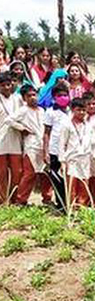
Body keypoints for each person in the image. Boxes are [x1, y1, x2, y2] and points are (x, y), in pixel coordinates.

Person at [12, 85, 51, 206]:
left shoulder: (42, 110)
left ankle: (47, 199)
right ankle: (21, 200)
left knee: (45, 174)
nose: (33, 98)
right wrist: (22, 129)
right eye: (29, 96)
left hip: (42, 145)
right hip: (31, 145)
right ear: (24, 98)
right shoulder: (23, 110)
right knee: (29, 173)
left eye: (34, 95)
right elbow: (10, 120)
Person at [58, 98, 92, 207]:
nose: (82, 113)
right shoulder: (67, 124)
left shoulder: (88, 125)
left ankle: (80, 208)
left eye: (83, 110)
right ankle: (71, 210)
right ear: (73, 110)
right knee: (71, 186)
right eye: (79, 110)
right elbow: (62, 143)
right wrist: (62, 161)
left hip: (84, 159)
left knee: (84, 185)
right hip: (71, 159)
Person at [43, 83, 71, 210]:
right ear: (54, 97)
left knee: (68, 178)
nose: (63, 97)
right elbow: (46, 133)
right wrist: (46, 152)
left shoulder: (71, 111)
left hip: (69, 150)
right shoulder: (50, 112)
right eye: (60, 95)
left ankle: (70, 203)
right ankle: (61, 205)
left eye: (65, 95)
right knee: (57, 178)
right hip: (54, 150)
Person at [0, 72, 22, 204]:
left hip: (16, 138)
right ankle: (2, 200)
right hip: (1, 139)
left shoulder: (18, 98)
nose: (6, 88)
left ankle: (14, 199)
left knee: (17, 171)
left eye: (8, 84)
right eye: (3, 85)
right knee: (1, 172)